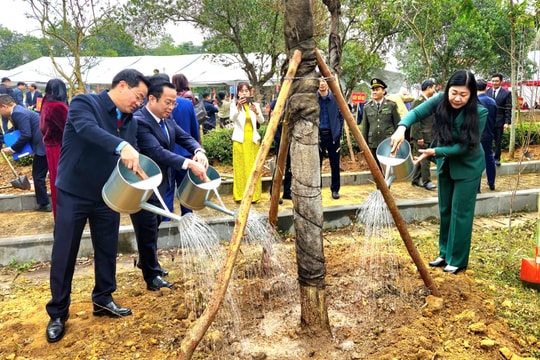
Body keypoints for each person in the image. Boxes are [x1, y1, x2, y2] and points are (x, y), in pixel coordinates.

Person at [45, 69, 150, 343]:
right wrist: (122, 146)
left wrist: (140, 175)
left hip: (106, 194)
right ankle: (58, 312)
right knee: (65, 251)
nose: (139, 103)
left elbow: (133, 153)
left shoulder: (130, 121)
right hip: (73, 191)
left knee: (107, 248)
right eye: (138, 96)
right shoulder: (84, 103)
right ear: (122, 85)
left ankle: (103, 299)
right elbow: (87, 130)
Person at [390, 70, 487, 275]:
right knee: (445, 210)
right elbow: (416, 112)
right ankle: (445, 253)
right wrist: (401, 128)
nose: (457, 98)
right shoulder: (440, 101)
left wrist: (435, 151)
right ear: (447, 90)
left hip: (467, 167)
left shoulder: (479, 112)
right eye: (454, 93)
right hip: (446, 165)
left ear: (471, 95)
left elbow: (465, 147)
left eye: (463, 94)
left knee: (460, 213)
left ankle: (457, 259)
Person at [131, 76, 208, 291]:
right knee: (146, 228)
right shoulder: (140, 121)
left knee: (153, 226)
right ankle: (152, 277)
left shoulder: (166, 120)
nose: (172, 107)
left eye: (174, 103)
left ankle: (149, 263)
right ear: (152, 99)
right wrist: (189, 165)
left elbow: (185, 137)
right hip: (144, 186)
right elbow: (157, 152)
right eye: (168, 102)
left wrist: (198, 150)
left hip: (160, 184)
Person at [0, 94, 51, 212]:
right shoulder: (19, 111)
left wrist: (12, 149)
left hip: (42, 147)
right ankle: (44, 203)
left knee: (38, 176)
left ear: (4, 106)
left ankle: (44, 204)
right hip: (41, 146)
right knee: (40, 175)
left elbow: (25, 134)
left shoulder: (18, 113)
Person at [162, 73, 201, 217]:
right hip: (186, 153)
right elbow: (193, 129)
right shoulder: (187, 103)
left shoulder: (155, 106)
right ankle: (188, 218)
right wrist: (196, 149)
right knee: (186, 190)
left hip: (167, 155)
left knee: (167, 190)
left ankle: (166, 221)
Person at [230, 81, 265, 203]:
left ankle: (254, 196)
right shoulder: (234, 105)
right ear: (238, 93)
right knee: (241, 168)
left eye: (246, 91)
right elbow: (232, 118)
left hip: (253, 140)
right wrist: (238, 107)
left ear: (250, 92)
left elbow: (262, 120)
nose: (244, 93)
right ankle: (240, 195)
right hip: (240, 140)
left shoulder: (255, 105)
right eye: (242, 91)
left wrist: (256, 111)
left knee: (253, 168)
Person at [39, 79, 69, 219]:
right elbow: (69, 129)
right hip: (60, 147)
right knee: (64, 182)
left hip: (51, 147)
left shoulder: (46, 103)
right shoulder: (58, 107)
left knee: (56, 182)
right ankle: (65, 216)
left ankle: (60, 215)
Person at [362, 78, 401, 171]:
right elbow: (365, 127)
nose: (374, 92)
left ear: (383, 91)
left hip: (388, 141)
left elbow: (397, 125)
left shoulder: (391, 105)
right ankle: (379, 185)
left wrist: (398, 141)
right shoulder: (367, 107)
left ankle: (386, 185)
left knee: (387, 167)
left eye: (377, 90)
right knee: (376, 168)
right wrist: (364, 144)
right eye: (373, 90)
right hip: (373, 142)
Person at [318, 73, 344, 200]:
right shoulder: (313, 99)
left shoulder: (335, 98)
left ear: (328, 83)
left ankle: (335, 189)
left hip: (333, 136)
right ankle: (317, 190)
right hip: (318, 137)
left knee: (335, 164)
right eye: (319, 81)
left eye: (324, 81)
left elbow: (341, 117)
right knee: (317, 165)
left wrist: (339, 133)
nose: (322, 83)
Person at [410, 80, 437, 191]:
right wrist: (419, 136)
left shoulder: (428, 101)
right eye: (433, 87)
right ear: (429, 88)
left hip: (428, 134)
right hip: (421, 135)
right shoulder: (419, 101)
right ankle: (427, 181)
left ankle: (416, 180)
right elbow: (415, 120)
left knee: (423, 157)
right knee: (425, 159)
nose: (434, 90)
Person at [485, 74, 511, 166]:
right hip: (488, 121)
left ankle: (497, 158)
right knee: (487, 140)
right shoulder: (487, 92)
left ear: (501, 82)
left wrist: (507, 122)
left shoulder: (506, 93)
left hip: (499, 121)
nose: (494, 83)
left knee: (498, 141)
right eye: (493, 81)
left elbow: (508, 109)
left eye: (496, 81)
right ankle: (487, 158)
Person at [476, 79, 497, 192]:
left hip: (476, 135)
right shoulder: (492, 102)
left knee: (476, 159)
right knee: (489, 157)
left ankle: (477, 187)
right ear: (486, 87)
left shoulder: (473, 102)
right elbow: (494, 119)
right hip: (488, 133)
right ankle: (491, 183)